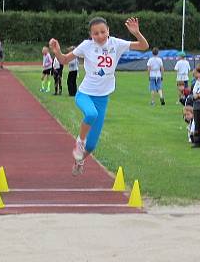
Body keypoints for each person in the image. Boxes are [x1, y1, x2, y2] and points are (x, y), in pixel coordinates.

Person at [48, 16, 149, 175]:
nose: (100, 36)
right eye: (96, 33)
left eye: (103, 32)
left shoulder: (116, 44)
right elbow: (64, 60)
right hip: (85, 94)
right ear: (91, 35)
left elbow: (144, 46)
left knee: (92, 145)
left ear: (108, 30)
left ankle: (80, 160)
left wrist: (136, 33)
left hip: (102, 98)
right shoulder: (86, 46)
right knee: (90, 114)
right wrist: (58, 51)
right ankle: (79, 142)